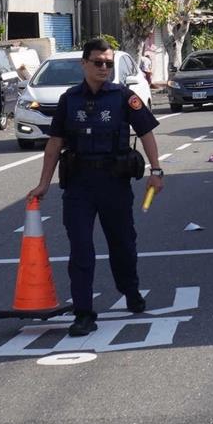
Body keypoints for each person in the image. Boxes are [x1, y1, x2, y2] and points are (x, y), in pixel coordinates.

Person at [26, 38, 165, 338]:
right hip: (79, 185)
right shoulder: (69, 100)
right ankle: (84, 313)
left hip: (114, 183)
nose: (104, 68)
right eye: (98, 62)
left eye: (108, 63)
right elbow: (55, 143)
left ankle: (130, 290)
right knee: (81, 249)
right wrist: (43, 183)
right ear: (84, 64)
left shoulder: (124, 97)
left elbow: (146, 132)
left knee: (122, 244)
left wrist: (156, 170)